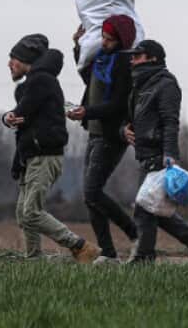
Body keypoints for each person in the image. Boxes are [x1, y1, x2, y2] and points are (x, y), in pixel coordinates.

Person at [2, 33, 101, 264]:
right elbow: (22, 121)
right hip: (31, 158)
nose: (9, 64)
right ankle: (34, 258)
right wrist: (8, 119)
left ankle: (81, 247)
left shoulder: (41, 81)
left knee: (31, 213)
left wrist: (10, 116)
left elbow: (21, 112)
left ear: (26, 59)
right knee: (23, 214)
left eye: (13, 58)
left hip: (44, 157)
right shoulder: (33, 84)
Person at [122, 39, 188, 263]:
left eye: (137, 56)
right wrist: (124, 130)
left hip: (159, 154)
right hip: (144, 153)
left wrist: (169, 154)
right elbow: (132, 117)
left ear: (153, 58)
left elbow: (171, 121)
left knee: (145, 207)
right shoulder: (141, 85)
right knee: (152, 206)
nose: (132, 60)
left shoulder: (166, 84)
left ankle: (144, 259)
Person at [67, 16, 139, 260]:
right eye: (103, 37)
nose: (104, 42)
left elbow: (117, 105)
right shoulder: (102, 59)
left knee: (92, 192)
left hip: (111, 135)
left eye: (109, 39)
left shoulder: (124, 64)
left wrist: (87, 112)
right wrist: (78, 47)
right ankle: (108, 253)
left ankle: (135, 233)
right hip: (94, 131)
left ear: (121, 41)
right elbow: (89, 78)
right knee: (90, 198)